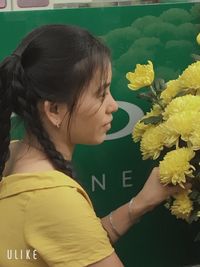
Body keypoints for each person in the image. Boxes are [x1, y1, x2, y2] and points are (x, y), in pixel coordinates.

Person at [0, 24, 186, 267]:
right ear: (54, 110)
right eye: (101, 94)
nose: (114, 106)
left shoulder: (13, 154)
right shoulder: (50, 197)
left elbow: (70, 245)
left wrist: (140, 204)